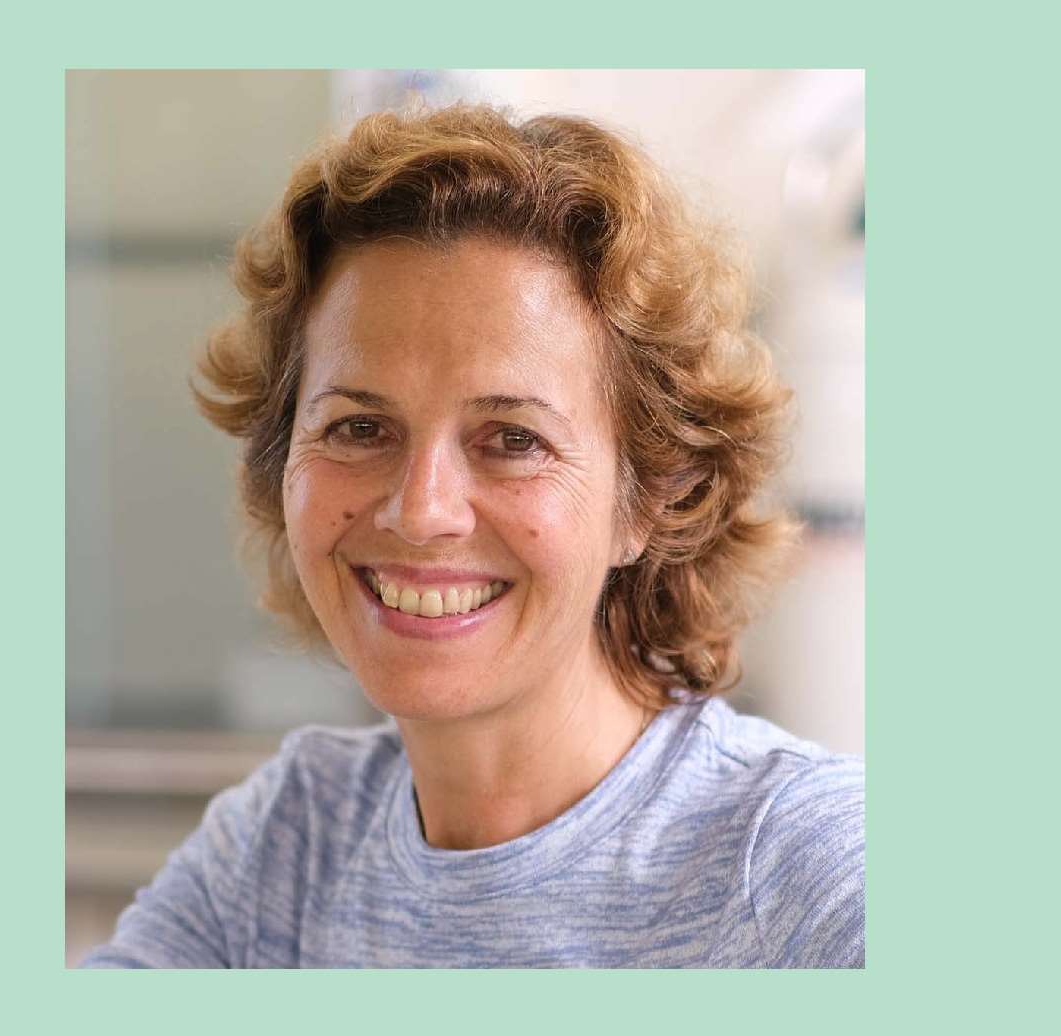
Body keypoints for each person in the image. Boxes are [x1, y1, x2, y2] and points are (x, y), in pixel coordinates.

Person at [81, 103, 864, 969]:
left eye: (514, 440)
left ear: (650, 499)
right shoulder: (282, 852)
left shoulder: (810, 874)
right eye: (359, 429)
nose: (421, 511)